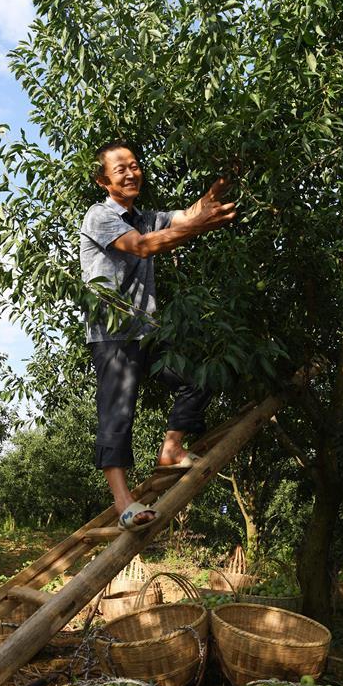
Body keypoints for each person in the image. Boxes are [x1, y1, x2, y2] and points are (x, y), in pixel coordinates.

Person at [79, 140, 236, 531]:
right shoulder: (99, 217)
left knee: (200, 375)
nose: (131, 173)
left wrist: (223, 181)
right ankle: (124, 502)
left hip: (147, 331)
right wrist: (199, 226)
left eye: (135, 166)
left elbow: (187, 215)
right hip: (112, 332)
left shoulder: (145, 216)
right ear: (104, 181)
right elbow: (143, 247)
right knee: (117, 413)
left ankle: (171, 447)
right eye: (120, 169)